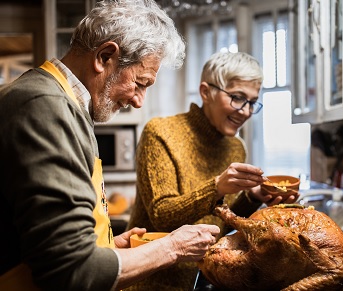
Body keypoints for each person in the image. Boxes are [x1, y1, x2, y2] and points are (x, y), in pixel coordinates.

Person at [0, 1, 220, 290]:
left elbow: (46, 238)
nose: (138, 100)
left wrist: (106, 245)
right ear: (104, 56)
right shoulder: (45, 107)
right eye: (140, 83)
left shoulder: (67, 105)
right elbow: (71, 269)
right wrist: (172, 248)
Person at [126, 51, 298, 290]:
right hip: (154, 280)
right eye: (237, 98)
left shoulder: (236, 147)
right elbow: (162, 216)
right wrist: (216, 187)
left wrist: (253, 198)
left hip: (208, 277)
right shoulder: (160, 132)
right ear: (206, 92)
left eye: (252, 102)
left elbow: (221, 224)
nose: (246, 111)